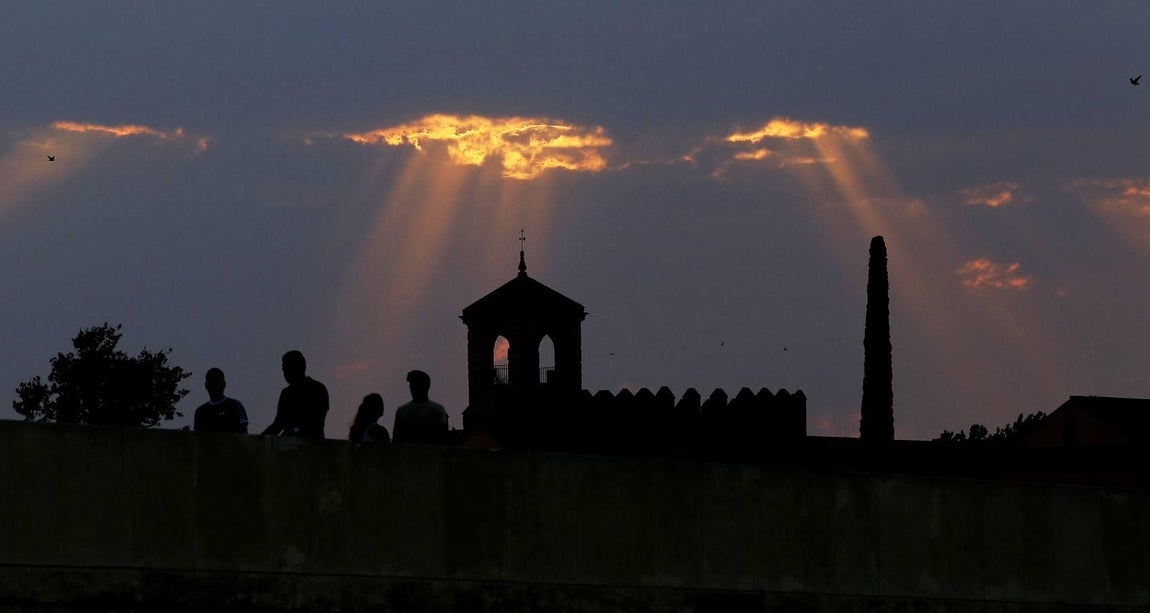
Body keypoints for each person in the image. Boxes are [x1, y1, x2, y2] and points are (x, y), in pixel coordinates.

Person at [261, 350, 329, 439]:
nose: (285, 373)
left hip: (294, 447)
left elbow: (278, 425)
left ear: (298, 368)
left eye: (287, 368)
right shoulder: (320, 388)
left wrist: (257, 441)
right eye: (284, 369)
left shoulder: (288, 393)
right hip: (314, 446)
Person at [393, 370, 448, 445]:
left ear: (426, 386)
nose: (412, 389)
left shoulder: (402, 410)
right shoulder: (437, 409)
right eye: (411, 385)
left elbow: (441, 438)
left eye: (415, 385)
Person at [193, 368, 249, 434]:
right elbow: (197, 438)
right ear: (206, 386)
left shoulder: (235, 405)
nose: (215, 386)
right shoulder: (200, 412)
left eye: (217, 382)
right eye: (212, 383)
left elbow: (244, 435)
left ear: (224, 384)